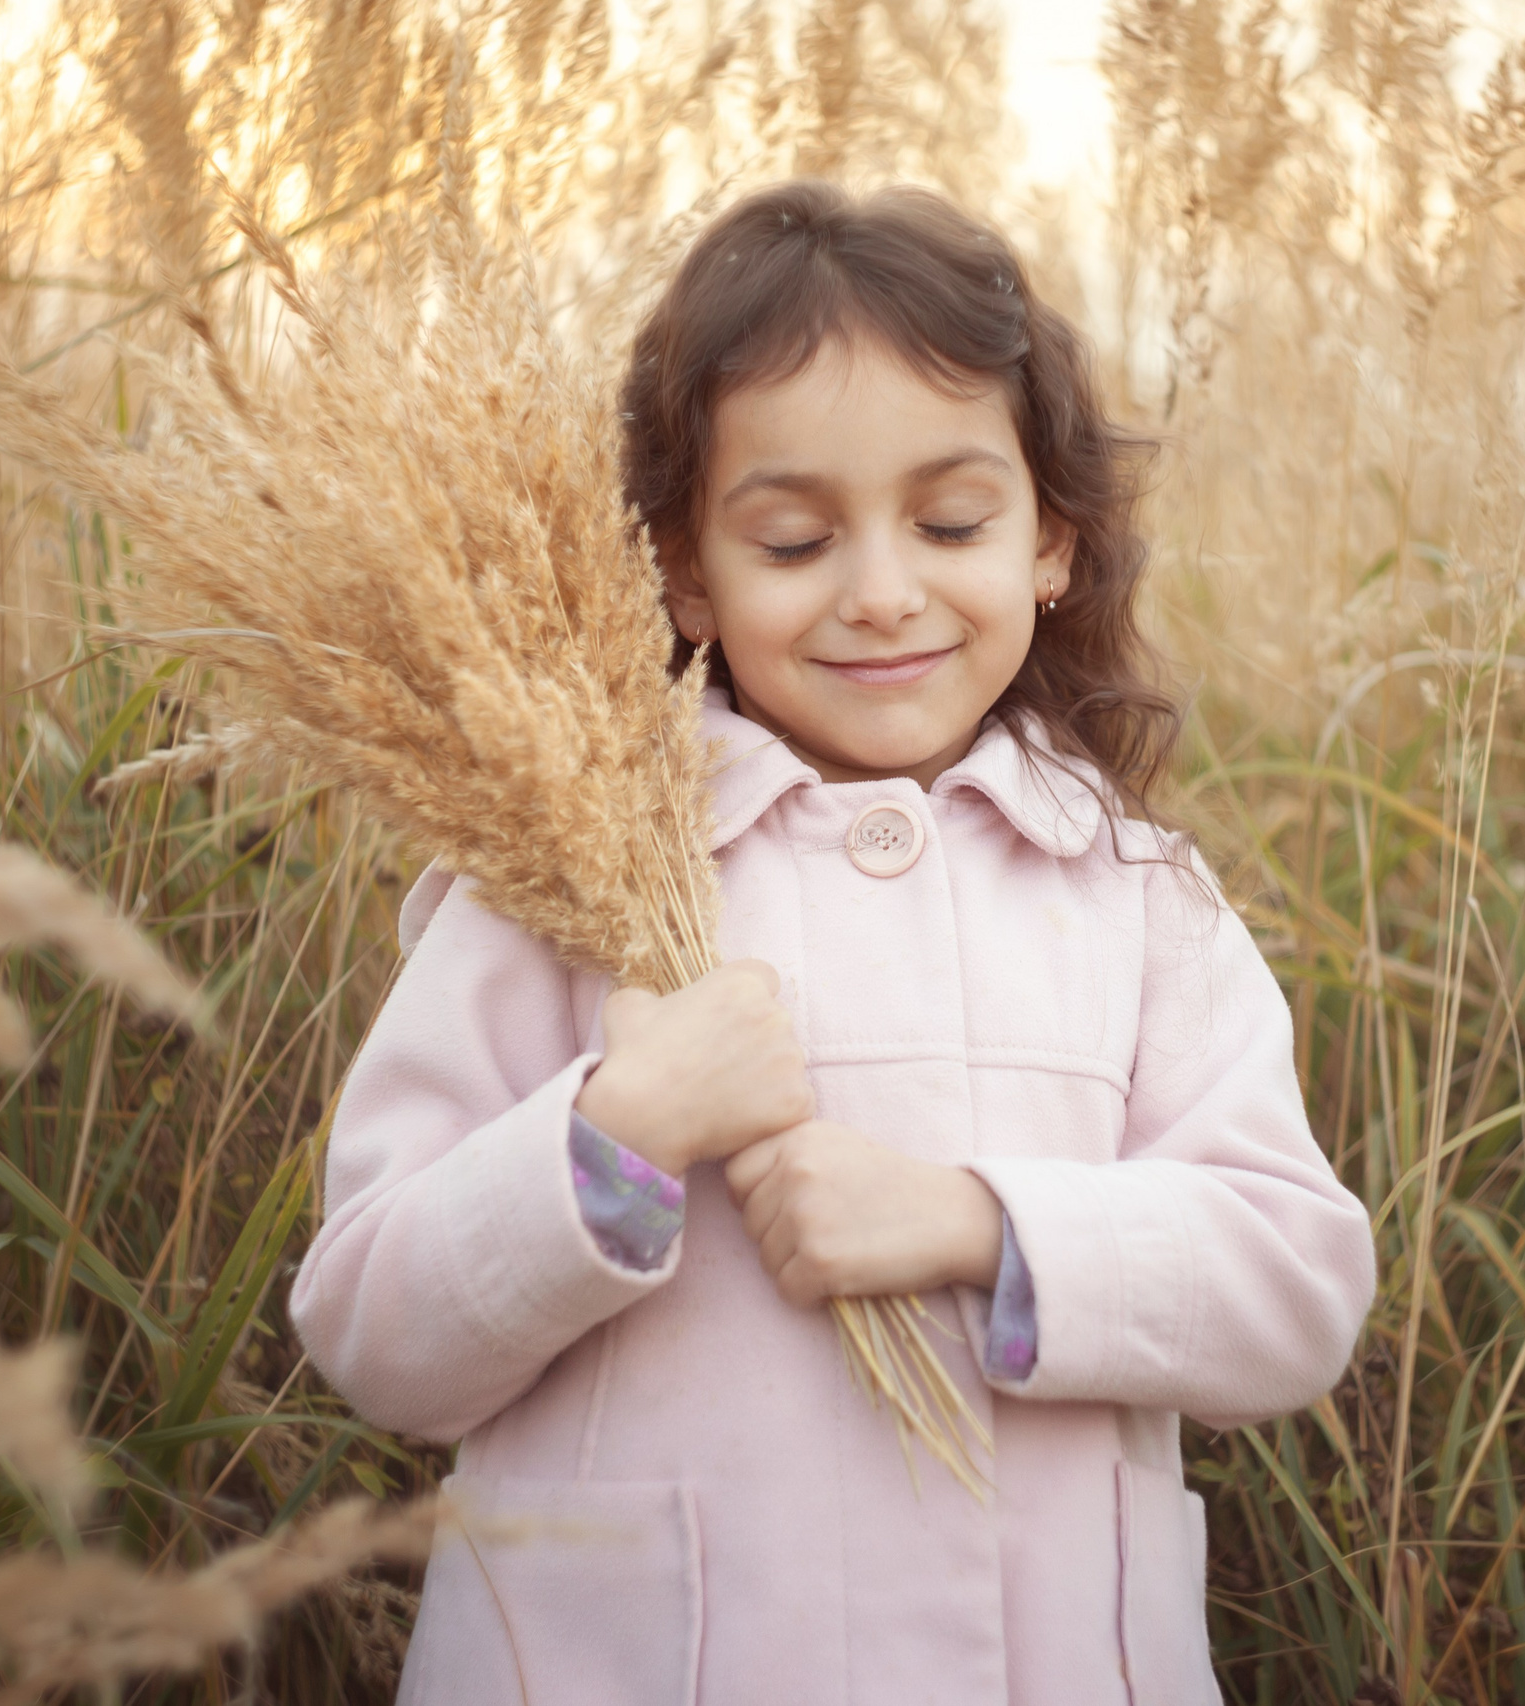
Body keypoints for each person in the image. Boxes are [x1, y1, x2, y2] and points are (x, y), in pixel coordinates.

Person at [288, 180, 1377, 1706]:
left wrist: (975, 1222)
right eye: (795, 539)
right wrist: (619, 1131)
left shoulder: (1137, 899)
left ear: (1052, 540)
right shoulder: (564, 888)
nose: (881, 593)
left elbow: (1296, 1287)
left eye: (951, 521)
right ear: (687, 571)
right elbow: (377, 1329)